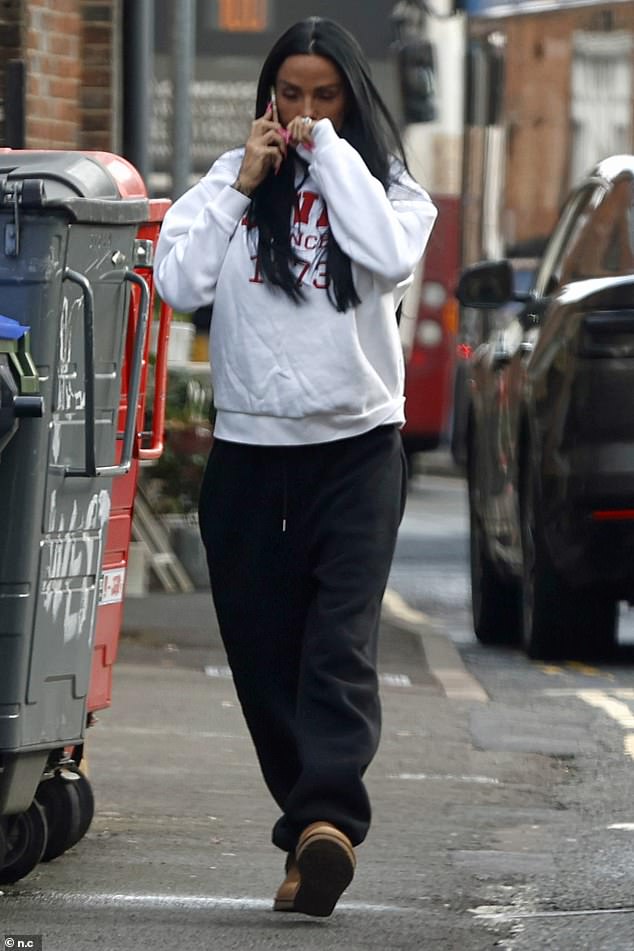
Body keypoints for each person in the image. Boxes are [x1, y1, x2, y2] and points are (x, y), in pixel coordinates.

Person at [154, 15, 437, 918]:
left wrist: (332, 159)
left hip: (355, 451)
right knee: (263, 656)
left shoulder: (391, 193)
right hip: (248, 455)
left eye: (325, 95)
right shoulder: (224, 187)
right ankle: (312, 831)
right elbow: (180, 284)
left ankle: (327, 823)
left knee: (337, 644)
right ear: (265, 97)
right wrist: (243, 185)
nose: (305, 113)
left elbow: (388, 259)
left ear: (351, 99)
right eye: (290, 94)